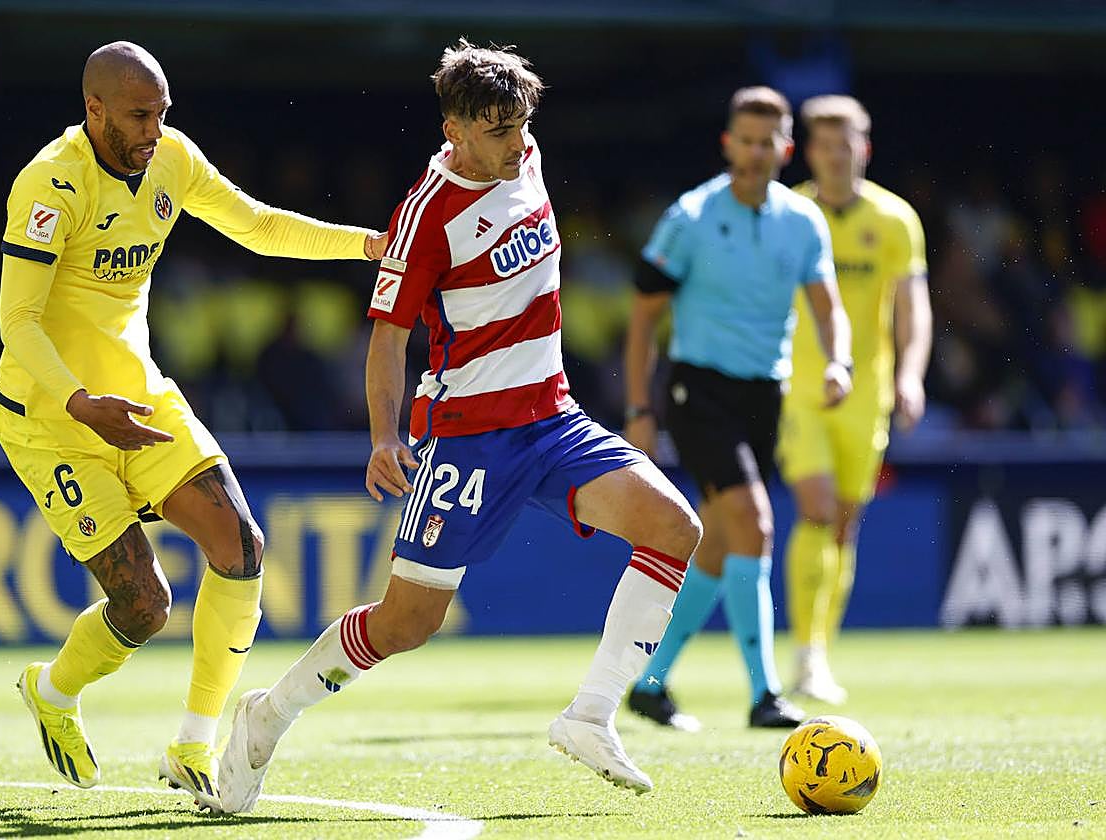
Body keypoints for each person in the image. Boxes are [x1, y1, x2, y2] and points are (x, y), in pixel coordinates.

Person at [217, 39, 702, 813]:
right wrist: (384, 436)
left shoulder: (526, 154)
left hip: (552, 416)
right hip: (468, 438)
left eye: (521, 126)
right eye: (499, 131)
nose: (517, 144)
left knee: (674, 527)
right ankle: (265, 718)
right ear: (455, 131)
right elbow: (387, 334)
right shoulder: (426, 216)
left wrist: (516, 132)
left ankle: (591, 716)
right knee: (409, 622)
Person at [0, 41, 386, 812]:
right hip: (51, 421)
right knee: (145, 606)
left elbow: (260, 225)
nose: (155, 129)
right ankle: (51, 688)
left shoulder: (171, 158)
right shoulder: (49, 184)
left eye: (163, 112)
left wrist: (368, 244)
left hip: (140, 401)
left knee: (241, 548)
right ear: (95, 109)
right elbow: (19, 321)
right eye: (140, 115)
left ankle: (193, 744)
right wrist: (80, 403)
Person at [623, 86, 852, 730]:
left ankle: (651, 682)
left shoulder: (802, 222)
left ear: (784, 148)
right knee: (754, 523)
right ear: (729, 144)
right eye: (744, 141)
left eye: (766, 142)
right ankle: (765, 695)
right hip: (697, 391)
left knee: (721, 546)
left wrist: (840, 362)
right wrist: (639, 405)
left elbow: (827, 307)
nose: (754, 153)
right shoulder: (690, 217)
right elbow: (642, 319)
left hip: (763, 395)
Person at [779, 95, 931, 703]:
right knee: (815, 509)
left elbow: (912, 307)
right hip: (799, 388)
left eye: (847, 144)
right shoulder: (789, 212)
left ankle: (819, 650)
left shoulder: (895, 221)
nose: (836, 156)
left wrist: (912, 375)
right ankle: (804, 654)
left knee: (843, 526)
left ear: (863, 147)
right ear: (810, 150)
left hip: (867, 393)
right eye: (824, 145)